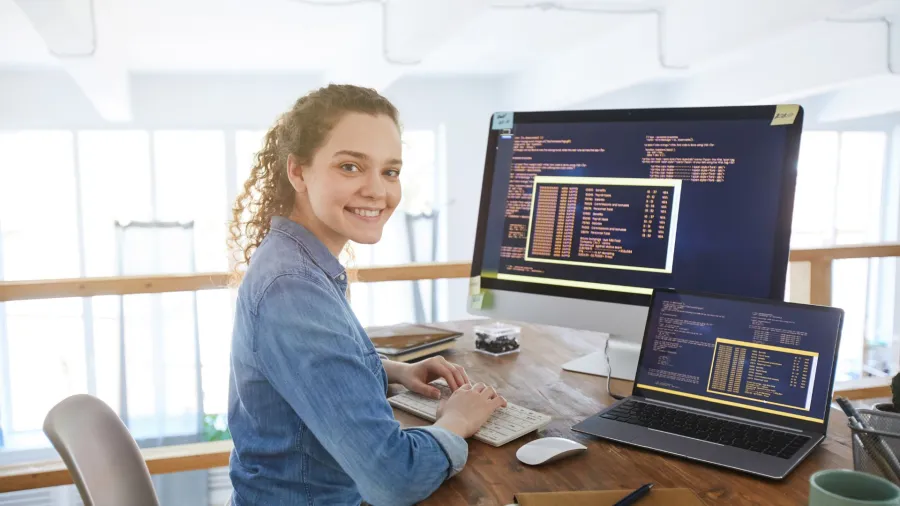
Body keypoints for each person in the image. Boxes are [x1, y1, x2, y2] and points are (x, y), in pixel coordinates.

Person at [226, 84, 507, 506]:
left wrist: (389, 370)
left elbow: (306, 371)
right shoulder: (293, 287)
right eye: (351, 167)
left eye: (390, 171)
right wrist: (455, 422)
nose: (378, 190)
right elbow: (394, 480)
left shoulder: (295, 260)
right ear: (298, 172)